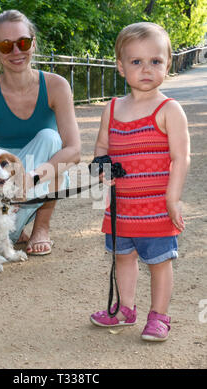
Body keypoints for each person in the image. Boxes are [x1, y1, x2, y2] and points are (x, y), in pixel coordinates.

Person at [0, 10, 81, 255]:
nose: (17, 52)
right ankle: (15, 231)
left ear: (33, 43)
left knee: (51, 139)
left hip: (41, 174)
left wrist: (31, 177)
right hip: (1, 176)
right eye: (7, 46)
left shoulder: (56, 86)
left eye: (23, 43)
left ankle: (42, 227)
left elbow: (74, 151)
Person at [90, 22, 190, 341]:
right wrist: (101, 165)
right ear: (121, 67)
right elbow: (103, 148)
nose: (146, 69)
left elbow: (180, 158)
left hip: (157, 209)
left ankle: (159, 316)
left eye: (155, 61)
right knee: (123, 257)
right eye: (136, 62)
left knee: (160, 263)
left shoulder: (169, 110)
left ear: (167, 64)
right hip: (121, 209)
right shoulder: (113, 108)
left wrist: (172, 200)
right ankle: (125, 309)